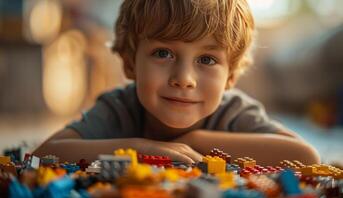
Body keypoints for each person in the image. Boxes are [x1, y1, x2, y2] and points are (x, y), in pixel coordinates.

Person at [34, 0, 320, 166]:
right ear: (130, 63)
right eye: (163, 53)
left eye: (207, 60)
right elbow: (44, 153)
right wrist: (139, 148)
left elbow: (305, 155)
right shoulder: (120, 107)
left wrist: (195, 141)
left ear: (231, 75)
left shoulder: (233, 112)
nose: (184, 79)